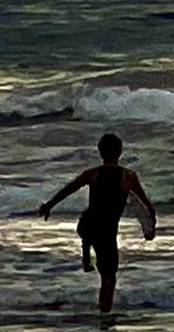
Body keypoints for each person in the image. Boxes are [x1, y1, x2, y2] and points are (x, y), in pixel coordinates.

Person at [38, 130, 156, 318]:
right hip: (107, 230)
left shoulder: (92, 174)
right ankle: (105, 314)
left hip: (89, 225)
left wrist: (49, 205)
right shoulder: (128, 176)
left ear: (100, 152)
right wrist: (151, 222)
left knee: (87, 227)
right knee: (109, 277)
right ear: (120, 152)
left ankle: (86, 255)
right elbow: (145, 202)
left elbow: (68, 189)